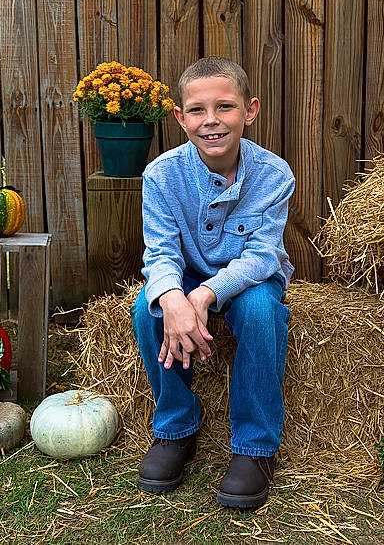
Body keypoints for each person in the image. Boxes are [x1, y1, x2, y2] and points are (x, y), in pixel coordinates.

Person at [131, 56, 294, 510]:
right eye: (197, 110)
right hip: (185, 272)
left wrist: (206, 294)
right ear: (180, 117)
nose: (211, 121)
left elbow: (261, 255)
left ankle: (254, 446)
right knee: (148, 308)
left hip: (249, 277)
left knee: (262, 312)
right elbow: (161, 252)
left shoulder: (274, 175)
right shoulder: (161, 175)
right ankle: (176, 428)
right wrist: (173, 297)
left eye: (225, 106)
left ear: (250, 110)